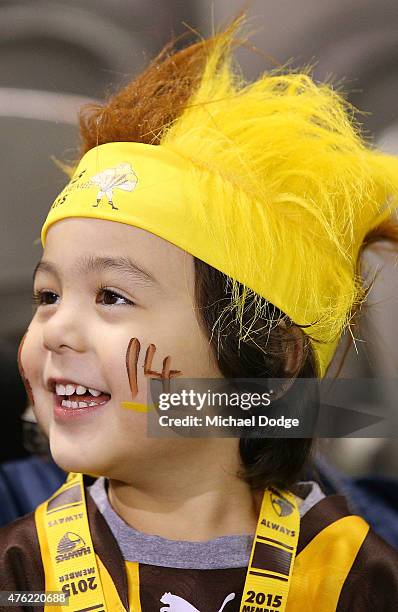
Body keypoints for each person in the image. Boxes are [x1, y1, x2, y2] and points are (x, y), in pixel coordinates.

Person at [1, 21, 398, 612]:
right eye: (47, 296)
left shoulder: (349, 578)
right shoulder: (23, 571)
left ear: (270, 356)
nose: (54, 330)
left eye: (111, 296)